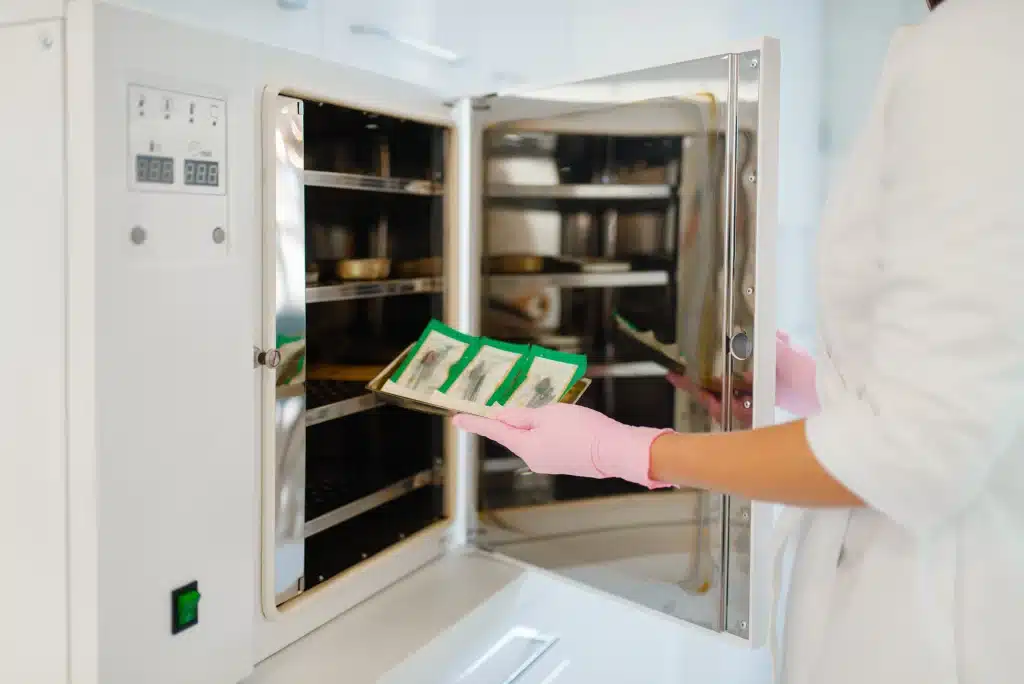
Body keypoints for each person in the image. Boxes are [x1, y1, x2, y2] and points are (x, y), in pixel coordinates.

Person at [454, 0, 1024, 681]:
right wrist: (814, 384)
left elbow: (918, 452)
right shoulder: (972, 46)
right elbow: (983, 385)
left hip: (937, 620)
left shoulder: (979, 50)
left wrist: (626, 451)